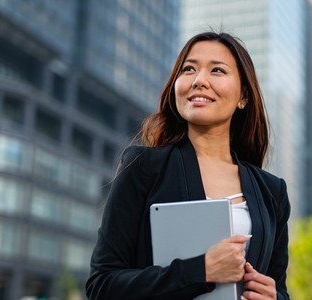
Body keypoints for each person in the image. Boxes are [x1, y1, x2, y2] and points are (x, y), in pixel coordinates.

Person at [85, 32, 291, 300]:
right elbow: (102, 285)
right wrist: (202, 270)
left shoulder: (272, 191)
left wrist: (274, 297)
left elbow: (280, 288)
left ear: (243, 96)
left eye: (217, 70)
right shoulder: (143, 167)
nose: (199, 80)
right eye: (189, 69)